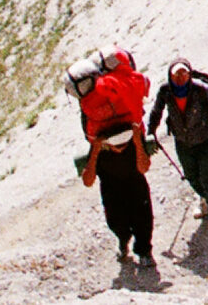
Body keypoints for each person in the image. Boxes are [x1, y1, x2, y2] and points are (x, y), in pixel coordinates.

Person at [69, 48, 154, 267]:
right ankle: (123, 240)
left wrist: (135, 140)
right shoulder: (101, 146)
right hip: (112, 186)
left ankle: (144, 251)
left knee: (143, 217)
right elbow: (88, 180)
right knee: (116, 221)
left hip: (133, 181)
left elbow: (143, 167)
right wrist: (97, 149)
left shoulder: (119, 136)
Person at [148, 59, 208, 230]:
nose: (180, 77)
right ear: (170, 76)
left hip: (205, 141)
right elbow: (156, 112)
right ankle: (205, 199)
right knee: (191, 176)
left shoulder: (202, 90)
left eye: (184, 73)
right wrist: (151, 133)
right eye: (176, 74)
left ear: (189, 74)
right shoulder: (165, 91)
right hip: (183, 142)